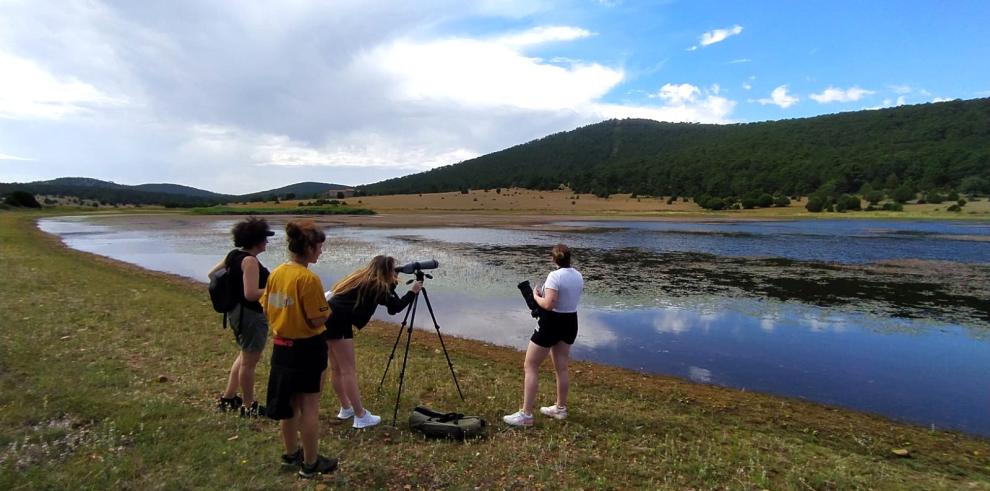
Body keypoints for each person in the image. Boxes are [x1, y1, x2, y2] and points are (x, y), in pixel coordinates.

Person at [260, 219, 337, 478]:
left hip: (282, 347)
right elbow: (318, 318)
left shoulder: (276, 274)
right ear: (310, 248)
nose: (321, 251)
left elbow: (266, 306)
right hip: (307, 348)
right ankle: (311, 463)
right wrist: (329, 309)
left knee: (289, 405)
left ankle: (291, 453)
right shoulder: (308, 279)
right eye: (319, 247)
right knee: (309, 407)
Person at [324, 255, 422, 429]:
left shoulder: (361, 277)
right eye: (393, 270)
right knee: (348, 370)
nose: (395, 273)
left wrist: (392, 283)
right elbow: (395, 308)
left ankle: (346, 408)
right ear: (387, 271)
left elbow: (388, 302)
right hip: (339, 323)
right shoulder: (378, 285)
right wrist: (413, 291)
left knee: (337, 369)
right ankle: (360, 416)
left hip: (328, 319)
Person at [503, 244, 584, 427]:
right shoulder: (578, 275)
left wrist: (535, 295)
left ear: (553, 259)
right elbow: (565, 298)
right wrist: (545, 297)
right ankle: (560, 408)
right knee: (561, 367)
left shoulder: (554, 276)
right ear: (569, 258)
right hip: (571, 321)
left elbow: (548, 304)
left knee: (530, 365)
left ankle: (526, 415)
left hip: (552, 323)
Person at [208, 217, 274, 417]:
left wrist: (231, 289)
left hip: (236, 312)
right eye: (265, 238)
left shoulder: (233, 255)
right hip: (250, 315)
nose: (267, 242)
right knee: (249, 362)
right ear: (256, 241)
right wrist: (274, 290)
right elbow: (251, 293)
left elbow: (212, 274)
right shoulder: (250, 261)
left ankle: (228, 398)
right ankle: (248, 406)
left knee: (244, 355)